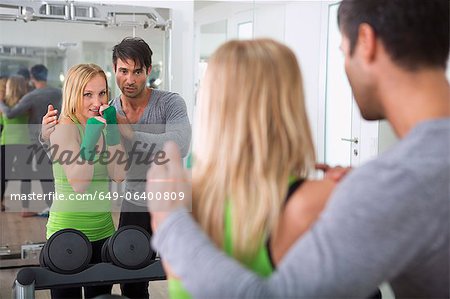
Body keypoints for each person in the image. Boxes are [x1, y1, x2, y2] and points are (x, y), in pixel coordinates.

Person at [147, 0, 450, 298]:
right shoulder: (385, 184)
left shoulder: (398, 180)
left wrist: (168, 220)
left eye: (343, 52)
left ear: (367, 42)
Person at [41, 37, 192, 299]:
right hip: (115, 209)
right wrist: (47, 137)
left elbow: (178, 146)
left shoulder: (168, 103)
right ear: (116, 71)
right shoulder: (99, 115)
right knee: (132, 281)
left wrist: (124, 132)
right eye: (123, 71)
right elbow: (75, 173)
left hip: (165, 200)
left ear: (148, 70)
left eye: (137, 71)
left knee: (182, 273)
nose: (130, 79)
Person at [47, 63, 126, 299]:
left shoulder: (102, 123)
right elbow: (80, 185)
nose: (97, 101)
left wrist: (111, 131)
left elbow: (119, 174)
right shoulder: (63, 129)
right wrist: (90, 137)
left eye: (102, 93)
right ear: (73, 94)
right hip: (67, 235)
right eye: (88, 94)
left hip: (103, 232)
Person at [0, 64, 62, 214]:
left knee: (41, 173)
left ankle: (49, 206)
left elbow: (10, 114)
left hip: (35, 138)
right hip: (58, 134)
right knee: (52, 173)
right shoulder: (58, 92)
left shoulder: (31, 96)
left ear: (32, 77)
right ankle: (54, 205)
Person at [0, 75, 33, 216]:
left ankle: (0, 202)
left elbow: (2, 121)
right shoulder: (26, 103)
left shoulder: (4, 104)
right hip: (24, 142)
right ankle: (25, 208)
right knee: (25, 176)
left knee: (3, 175)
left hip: (6, 141)